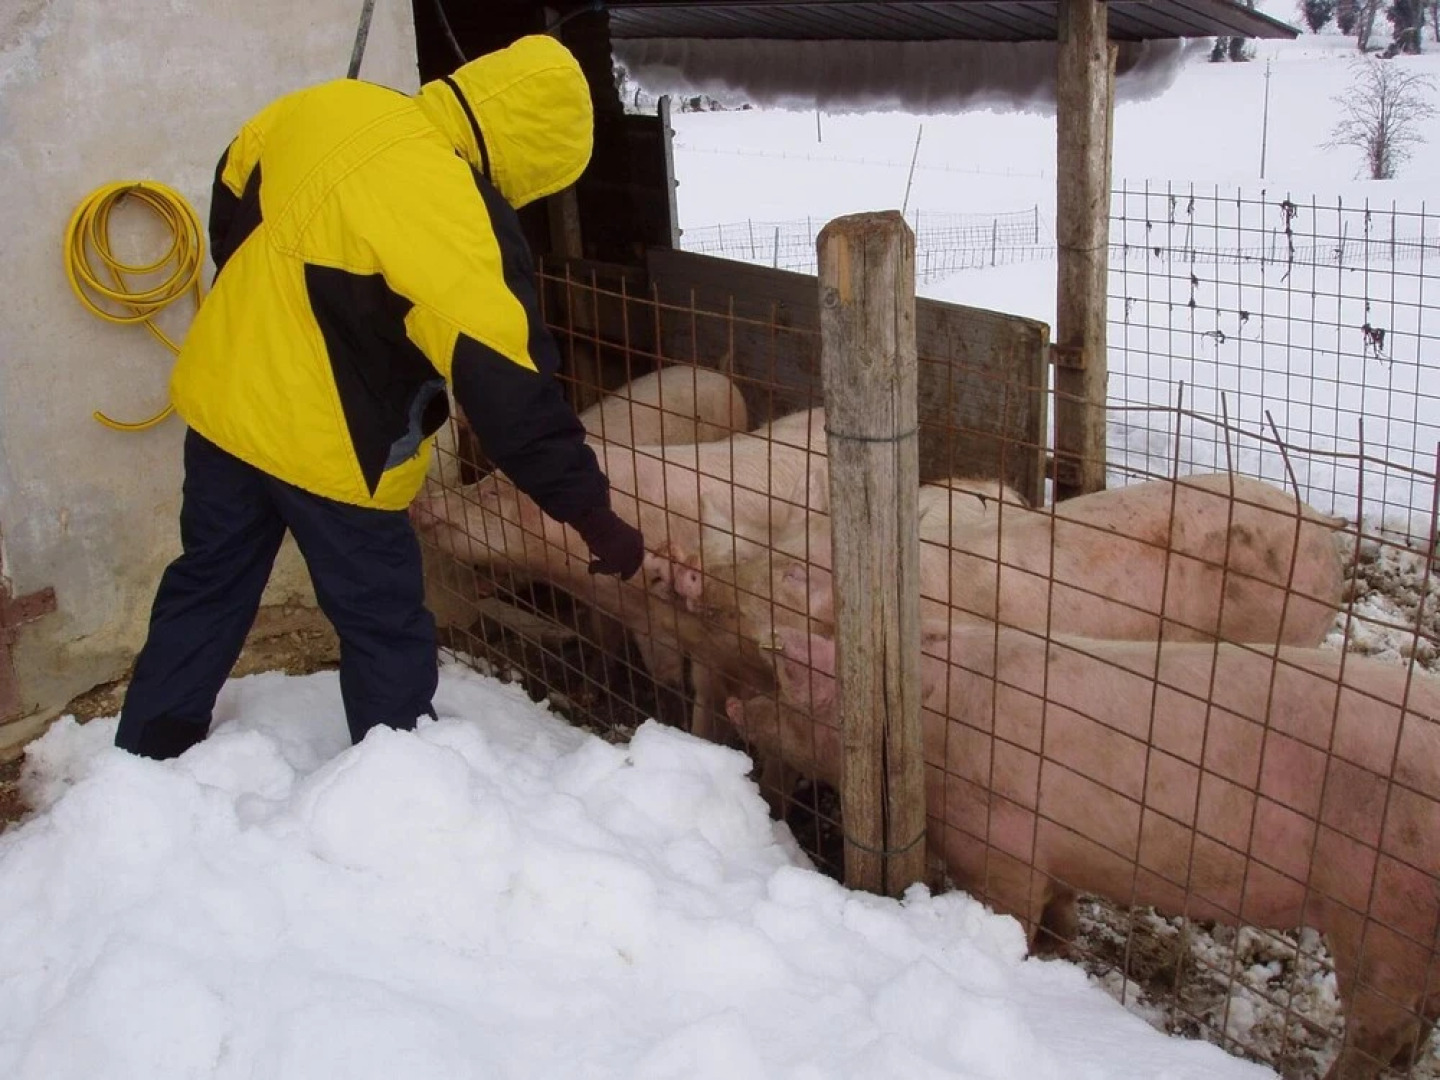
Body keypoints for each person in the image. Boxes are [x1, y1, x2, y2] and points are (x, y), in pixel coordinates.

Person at [114, 35, 645, 760]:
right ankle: (394, 780)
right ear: (533, 151)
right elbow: (507, 385)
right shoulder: (454, 207)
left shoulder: (329, 105)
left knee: (206, 584)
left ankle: (145, 756)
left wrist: (264, 307)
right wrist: (591, 515)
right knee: (383, 622)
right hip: (335, 445)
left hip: (224, 404)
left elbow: (232, 189)